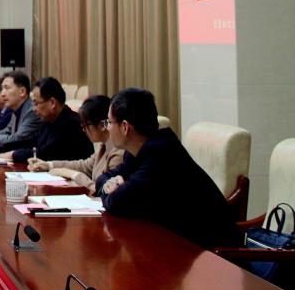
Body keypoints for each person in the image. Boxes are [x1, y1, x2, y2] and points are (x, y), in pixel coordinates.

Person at [95, 88, 240, 250]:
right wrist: (109, 186)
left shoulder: (161, 153)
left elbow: (118, 203)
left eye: (109, 122)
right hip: (176, 243)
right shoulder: (136, 151)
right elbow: (101, 180)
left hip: (212, 253)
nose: (107, 128)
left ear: (125, 127)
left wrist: (112, 190)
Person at [29, 95, 125, 195]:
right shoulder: (105, 146)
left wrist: (73, 174)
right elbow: (85, 165)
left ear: (102, 125)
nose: (84, 130)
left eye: (86, 125)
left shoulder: (118, 152)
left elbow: (104, 191)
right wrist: (49, 165)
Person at [0, 77, 92, 164]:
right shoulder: (48, 121)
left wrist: (13, 154)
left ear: (52, 103)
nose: (34, 109)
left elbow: (45, 153)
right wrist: (0, 148)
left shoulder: (71, 124)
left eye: (36, 104)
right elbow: (30, 141)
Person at [0, 71, 40, 155]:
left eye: (7, 88)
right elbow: (7, 131)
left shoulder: (32, 111)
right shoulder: (15, 109)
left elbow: (19, 138)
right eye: (2, 89)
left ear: (22, 91)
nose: (2, 94)